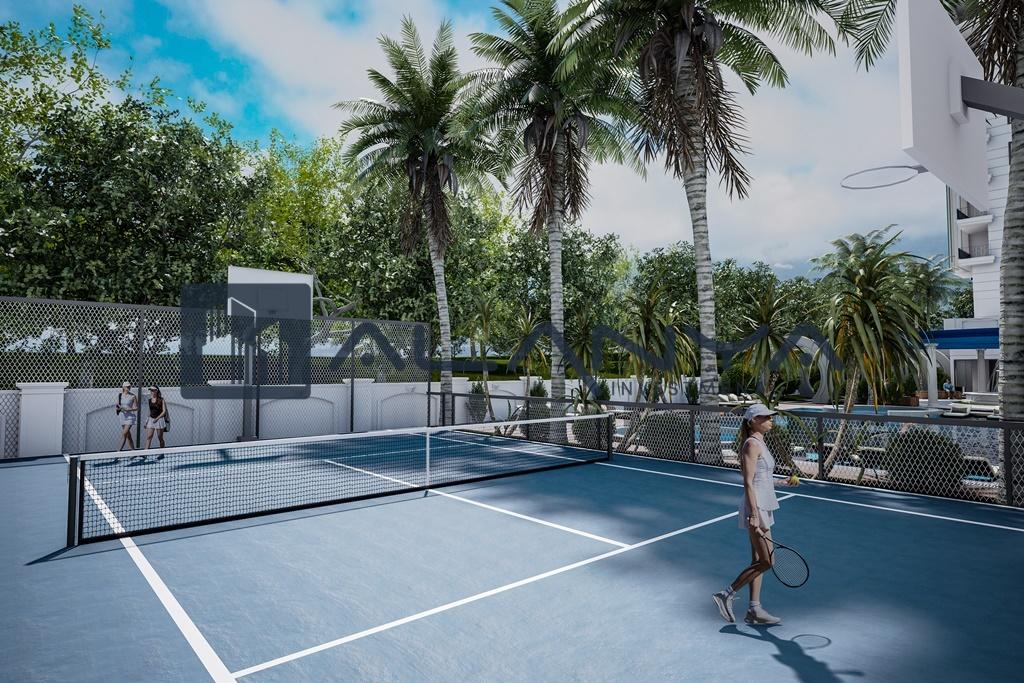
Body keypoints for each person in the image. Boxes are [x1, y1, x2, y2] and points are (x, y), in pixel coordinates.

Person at [712, 403, 797, 625]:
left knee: (758, 560)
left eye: (770, 416)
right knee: (768, 561)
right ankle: (726, 594)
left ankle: (753, 610)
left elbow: (763, 480)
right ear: (753, 421)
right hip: (756, 507)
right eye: (766, 417)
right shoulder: (751, 444)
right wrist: (753, 515)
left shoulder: (761, 443)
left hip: (764, 504)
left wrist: (783, 482)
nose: (771, 419)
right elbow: (748, 482)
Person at [142, 386, 168, 457]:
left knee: (160, 437)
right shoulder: (149, 400)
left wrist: (157, 419)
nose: (152, 392)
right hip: (151, 420)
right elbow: (149, 411)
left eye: (153, 390)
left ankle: (162, 453)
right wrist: (146, 421)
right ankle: (145, 453)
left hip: (159, 420)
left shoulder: (161, 400)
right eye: (151, 390)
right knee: (149, 436)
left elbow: (164, 411)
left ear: (157, 391)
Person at [114, 381, 138, 455]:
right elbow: (117, 405)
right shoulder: (120, 395)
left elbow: (136, 408)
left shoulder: (133, 396)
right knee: (128, 435)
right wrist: (119, 408)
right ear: (123, 387)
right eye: (127, 386)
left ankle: (118, 453)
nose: (128, 387)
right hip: (122, 416)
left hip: (130, 417)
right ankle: (133, 452)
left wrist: (129, 409)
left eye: (129, 386)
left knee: (124, 434)